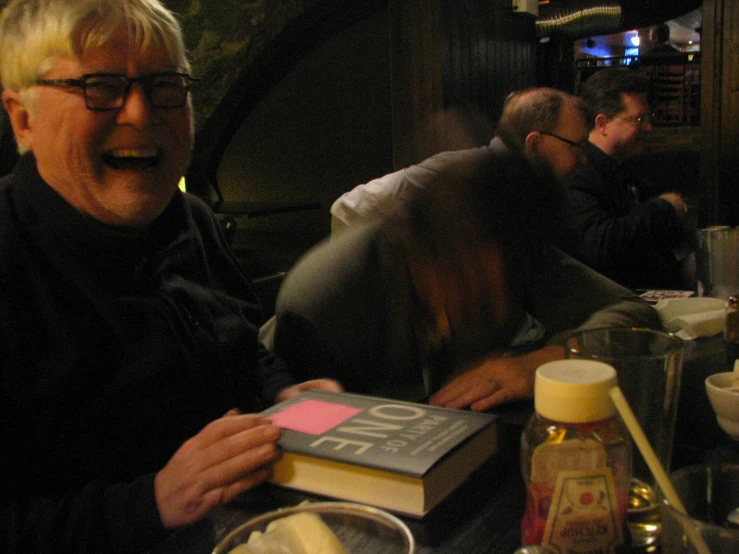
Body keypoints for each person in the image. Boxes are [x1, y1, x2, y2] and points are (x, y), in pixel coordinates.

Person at [0, 1, 341, 552]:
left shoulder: (190, 219)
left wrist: (281, 393)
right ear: (23, 117)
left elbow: (238, 343)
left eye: (165, 84)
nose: (140, 112)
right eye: (101, 86)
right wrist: (155, 500)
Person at [272, 87, 662, 411]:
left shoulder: (511, 240)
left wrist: (544, 363)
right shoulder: (332, 300)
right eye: (467, 272)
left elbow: (635, 313)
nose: (493, 297)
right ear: (422, 245)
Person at [561, 68, 696, 291]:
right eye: (639, 120)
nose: (649, 128)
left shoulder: (621, 165)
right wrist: (663, 208)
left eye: (648, 118)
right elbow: (601, 245)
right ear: (602, 123)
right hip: (618, 297)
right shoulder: (580, 170)